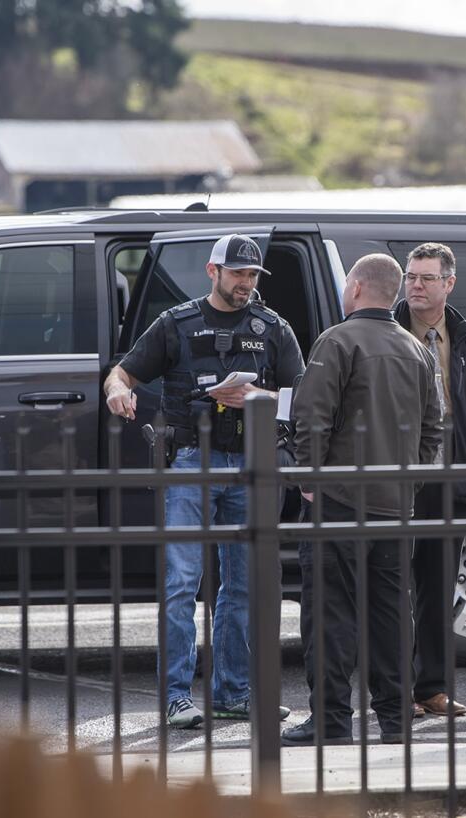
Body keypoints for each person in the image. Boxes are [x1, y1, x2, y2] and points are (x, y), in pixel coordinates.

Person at [103, 234, 304, 728]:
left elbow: (303, 401)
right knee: (180, 584)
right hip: (191, 461)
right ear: (212, 272)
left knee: (242, 588)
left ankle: (233, 694)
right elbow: (122, 374)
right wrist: (116, 394)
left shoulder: (273, 328)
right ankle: (176, 696)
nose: (246, 283)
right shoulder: (177, 324)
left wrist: (257, 396)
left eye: (253, 275)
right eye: (237, 274)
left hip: (253, 464)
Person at [282, 253, 442, 746]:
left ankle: (331, 721)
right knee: (392, 617)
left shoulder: (337, 341)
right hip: (394, 505)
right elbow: (433, 428)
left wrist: (308, 479)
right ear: (393, 292)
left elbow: (311, 417)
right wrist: (408, 483)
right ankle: (395, 721)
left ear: (354, 289)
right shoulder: (418, 350)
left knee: (331, 616)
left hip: (340, 502)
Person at [394, 242, 466, 719]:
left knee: (439, 590)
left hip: (450, 482)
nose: (415, 285)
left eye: (426, 278)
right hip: (394, 480)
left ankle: (431, 688)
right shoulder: (387, 331)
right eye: (410, 276)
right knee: (390, 587)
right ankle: (393, 690)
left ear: (448, 284)